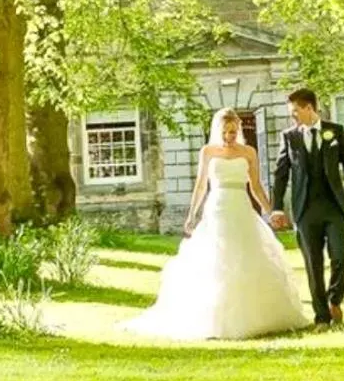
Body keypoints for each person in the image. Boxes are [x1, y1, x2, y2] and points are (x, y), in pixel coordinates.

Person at [125, 108, 307, 341]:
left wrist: (271, 211)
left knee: (247, 256)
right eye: (225, 132)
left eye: (233, 132)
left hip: (240, 206)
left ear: (238, 130)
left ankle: (256, 316)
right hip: (217, 207)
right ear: (218, 130)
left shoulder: (248, 152)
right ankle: (216, 317)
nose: (229, 137)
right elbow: (201, 185)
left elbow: (256, 186)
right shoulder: (208, 152)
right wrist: (192, 214)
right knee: (218, 258)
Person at [269, 87, 344, 327]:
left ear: (309, 108)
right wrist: (277, 208)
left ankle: (334, 298)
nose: (293, 117)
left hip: (332, 207)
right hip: (305, 210)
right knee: (313, 265)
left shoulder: (335, 132)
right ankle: (321, 316)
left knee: (341, 254)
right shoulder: (289, 137)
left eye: (295, 112)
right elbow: (281, 174)